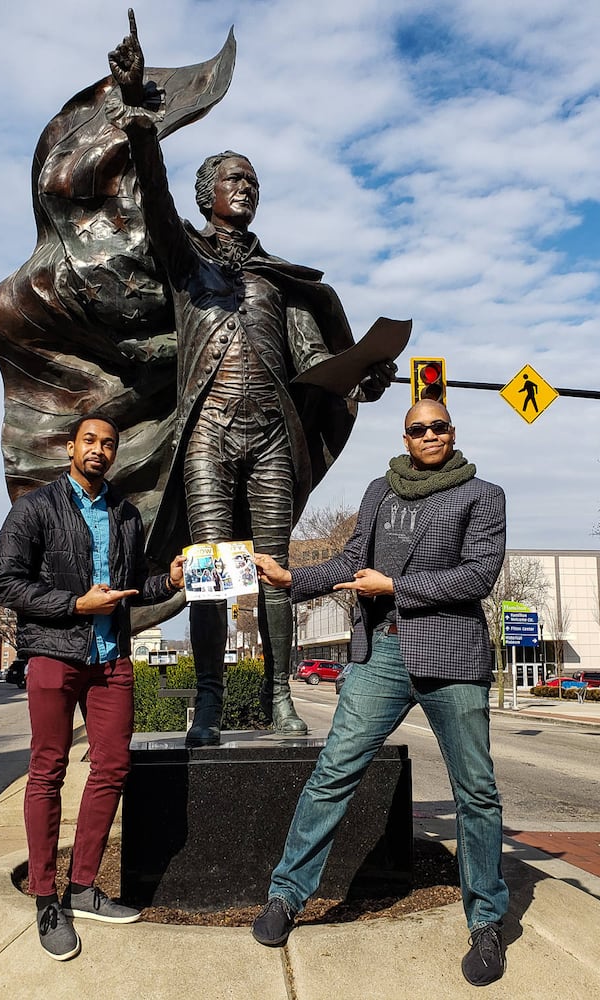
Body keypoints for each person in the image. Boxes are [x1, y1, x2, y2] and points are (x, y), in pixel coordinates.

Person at [109, 14, 395, 747]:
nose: (246, 189)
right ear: (208, 190)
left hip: (272, 433)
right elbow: (154, 200)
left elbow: (321, 367)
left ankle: (275, 698)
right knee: (211, 571)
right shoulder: (187, 263)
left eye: (254, 182)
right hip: (207, 432)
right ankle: (207, 701)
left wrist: (365, 376)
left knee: (268, 571)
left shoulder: (279, 282)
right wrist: (143, 125)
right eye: (234, 178)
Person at [249, 399, 510, 988]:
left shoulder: (483, 495)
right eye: (419, 429)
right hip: (381, 652)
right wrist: (293, 579)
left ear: (452, 431)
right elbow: (348, 561)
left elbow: (477, 575)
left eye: (439, 426)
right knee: (334, 770)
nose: (429, 435)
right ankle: (287, 895)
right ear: (406, 437)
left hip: (452, 655)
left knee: (476, 791)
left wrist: (396, 585)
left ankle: (487, 921)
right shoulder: (380, 492)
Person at [0, 411, 186, 961]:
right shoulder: (35, 508)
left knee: (113, 767)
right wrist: (76, 605)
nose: (99, 450)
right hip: (55, 655)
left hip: (111, 659)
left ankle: (81, 887)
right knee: (48, 769)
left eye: (108, 443)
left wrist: (166, 581)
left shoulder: (125, 513)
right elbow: (5, 582)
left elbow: (133, 587)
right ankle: (45, 897)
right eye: (89, 441)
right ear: (70, 447)